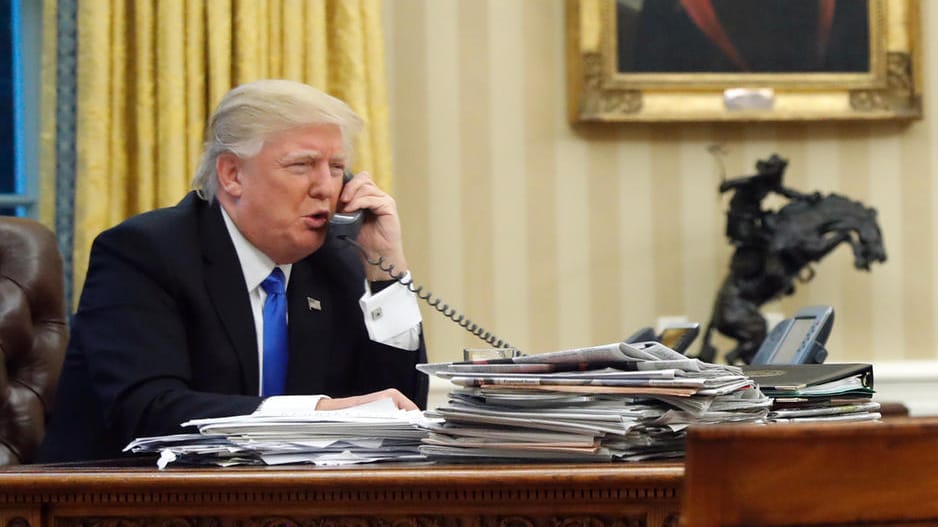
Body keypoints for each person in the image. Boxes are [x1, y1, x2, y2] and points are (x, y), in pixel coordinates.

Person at [38, 79, 429, 462]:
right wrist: (319, 413)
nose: (326, 187)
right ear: (232, 175)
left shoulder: (335, 262)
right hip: (117, 500)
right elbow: (150, 411)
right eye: (302, 165)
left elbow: (399, 409)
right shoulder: (144, 253)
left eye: (336, 167)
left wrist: (388, 273)